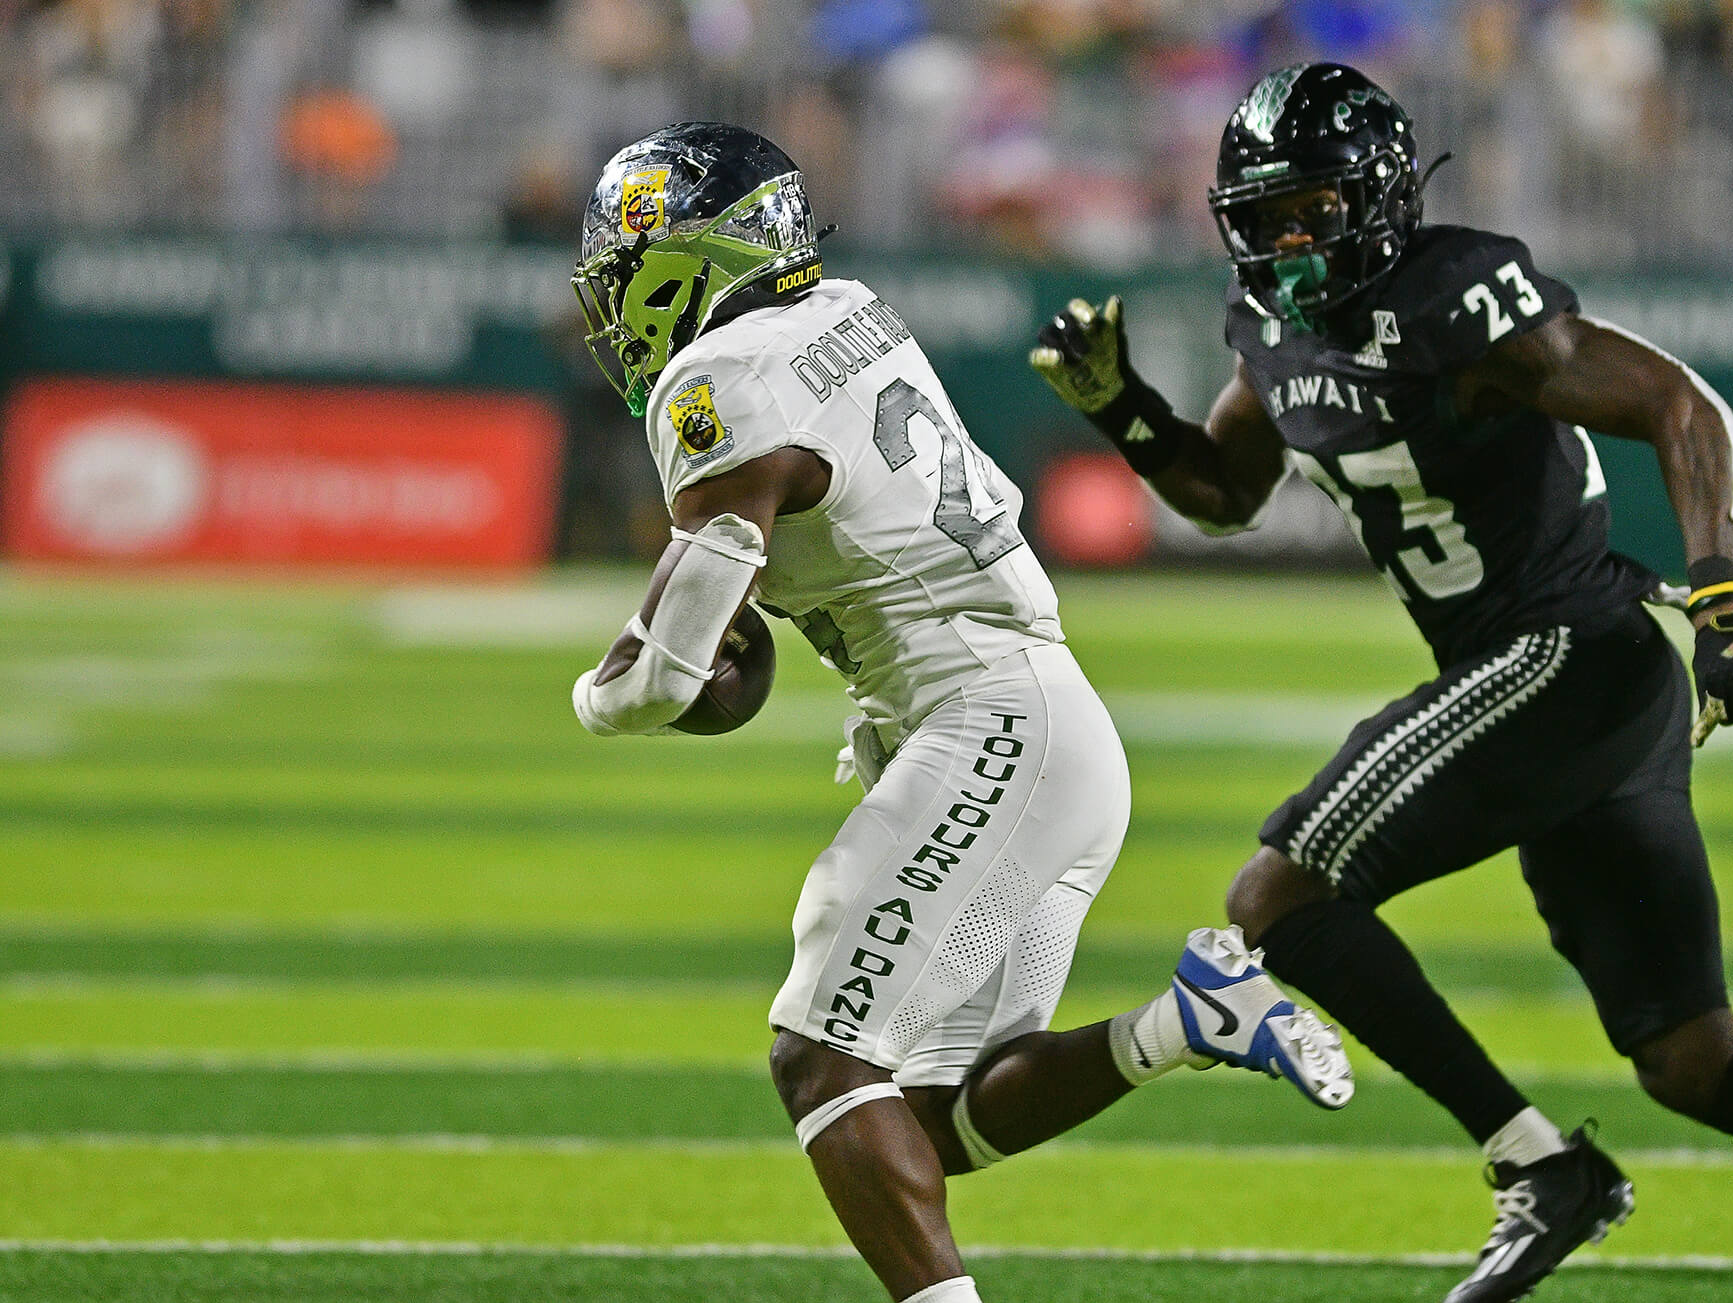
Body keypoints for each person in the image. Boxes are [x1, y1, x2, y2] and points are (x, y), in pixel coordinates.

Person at [1031, 61, 1733, 1303]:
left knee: (1276, 894)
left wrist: (1721, 592)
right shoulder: (1269, 327)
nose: (1287, 244)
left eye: (1310, 210)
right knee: (1687, 1055)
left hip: (1568, 651)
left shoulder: (1451, 292)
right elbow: (1224, 492)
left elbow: (1677, 405)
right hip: (1553, 686)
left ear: (1378, 197)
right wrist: (1123, 409)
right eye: (1264, 217)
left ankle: (1538, 1167)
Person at [568, 121, 1354, 1303]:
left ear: (693, 259)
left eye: (630, 271)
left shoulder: (715, 381)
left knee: (821, 1060)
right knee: (927, 1117)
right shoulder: (846, 310)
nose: (615, 304)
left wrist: (592, 695)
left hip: (985, 729)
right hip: (1051, 726)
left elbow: (659, 681)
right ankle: (1186, 1023)